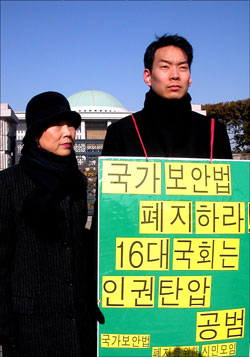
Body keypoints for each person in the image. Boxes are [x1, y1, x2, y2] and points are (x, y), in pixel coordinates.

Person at [0, 91, 102, 357]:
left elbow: (77, 246)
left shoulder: (77, 182)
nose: (68, 132)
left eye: (70, 125)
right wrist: (6, 327)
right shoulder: (8, 184)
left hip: (76, 325)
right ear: (36, 134)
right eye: (57, 125)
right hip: (29, 328)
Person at [102, 34, 232, 159]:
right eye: (165, 66)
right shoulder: (120, 132)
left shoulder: (214, 132)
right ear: (148, 77)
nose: (175, 75)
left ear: (190, 77)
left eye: (182, 67)